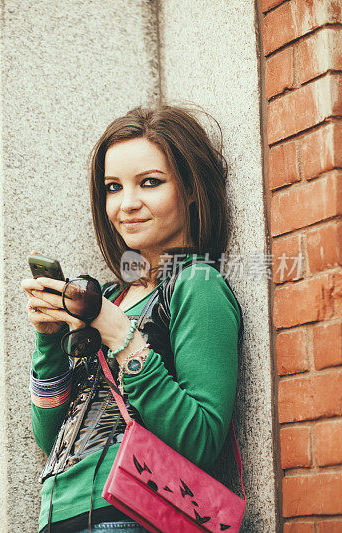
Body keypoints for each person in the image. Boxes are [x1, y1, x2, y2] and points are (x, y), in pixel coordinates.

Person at [20, 105, 243, 533]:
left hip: (133, 514)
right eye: (112, 187)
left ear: (192, 189)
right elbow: (51, 440)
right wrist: (48, 339)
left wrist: (121, 333)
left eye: (150, 183)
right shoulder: (108, 296)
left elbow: (202, 439)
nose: (127, 204)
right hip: (60, 514)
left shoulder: (197, 285)